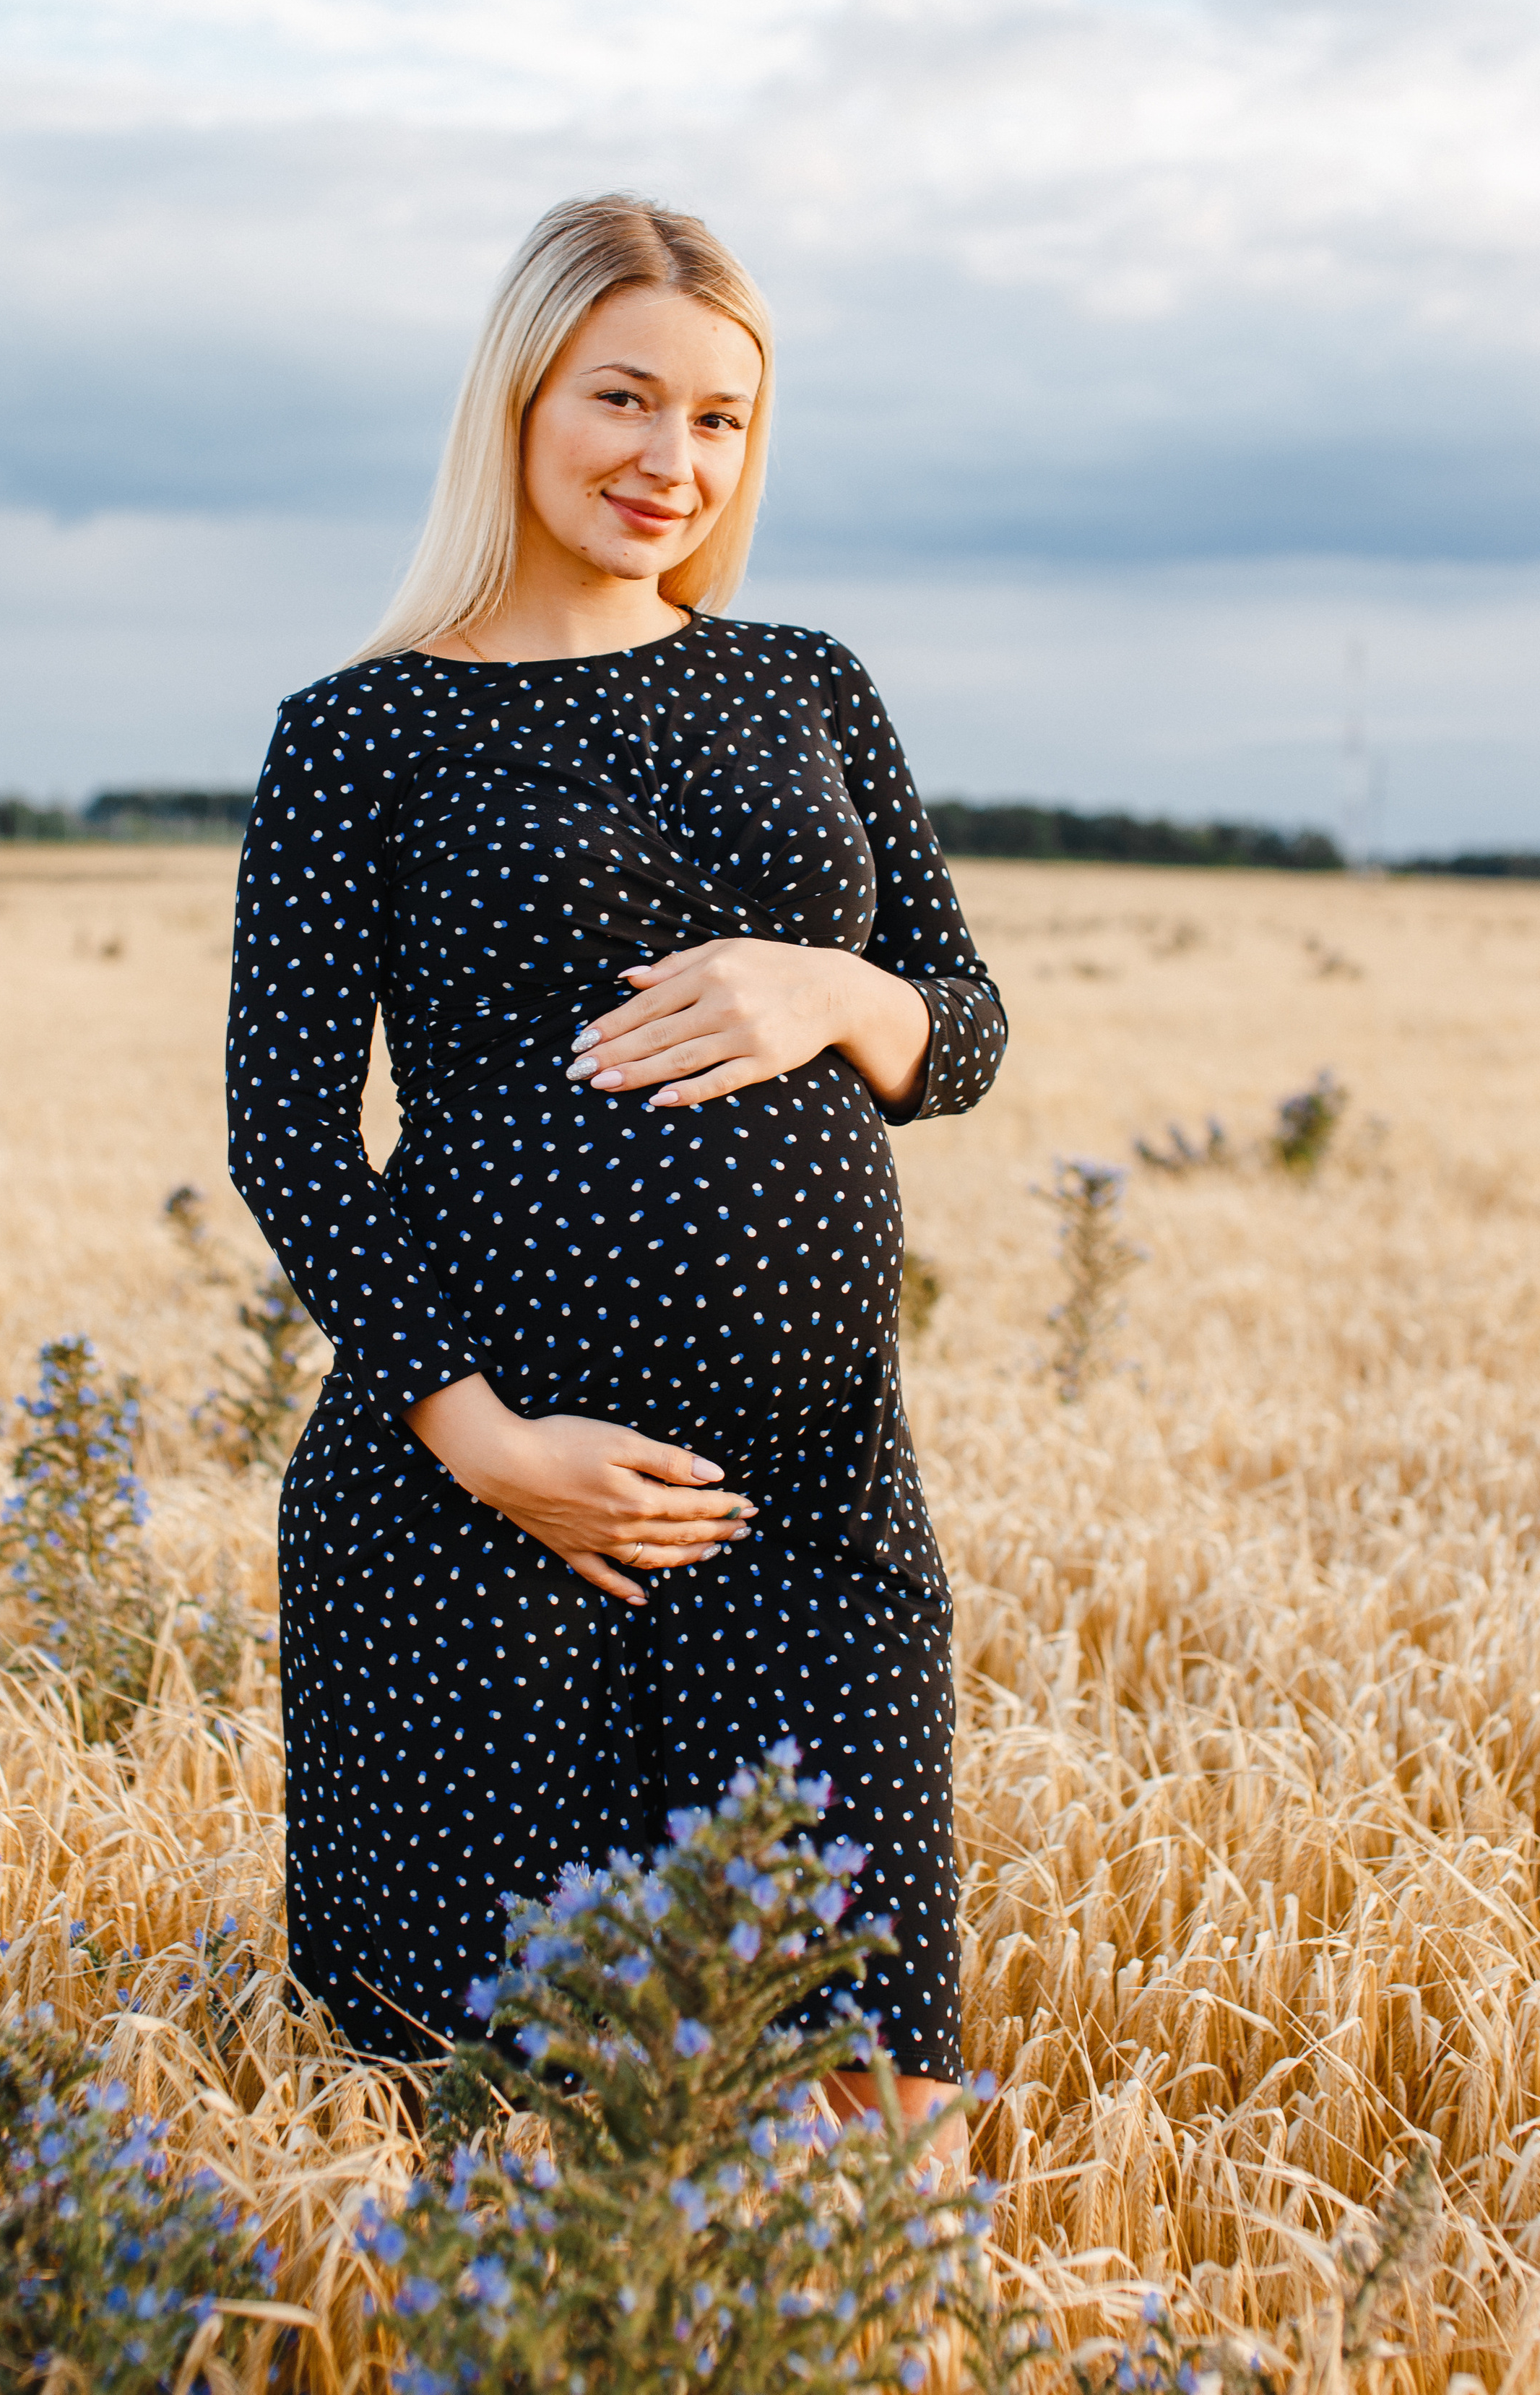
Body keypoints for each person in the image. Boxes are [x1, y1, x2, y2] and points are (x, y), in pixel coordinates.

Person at [226, 194, 1006, 2149]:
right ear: (522, 397)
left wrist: (826, 982)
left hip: (810, 1493)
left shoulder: (807, 683)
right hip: (490, 1517)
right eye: (626, 399)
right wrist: (479, 1438)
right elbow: (291, 1132)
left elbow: (962, 1022)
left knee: (868, 2094)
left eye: (723, 421)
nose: (674, 461)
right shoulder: (363, 732)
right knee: (512, 2121)